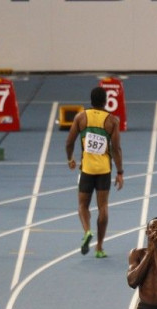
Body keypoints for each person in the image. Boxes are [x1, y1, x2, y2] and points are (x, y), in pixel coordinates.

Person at [65, 87, 124, 258]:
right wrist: (120, 172)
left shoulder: (81, 117)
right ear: (106, 101)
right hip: (104, 170)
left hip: (87, 170)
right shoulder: (112, 121)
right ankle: (99, 247)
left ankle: (87, 231)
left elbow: (69, 142)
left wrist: (70, 159)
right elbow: (116, 149)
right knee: (103, 207)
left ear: (91, 101)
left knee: (83, 205)